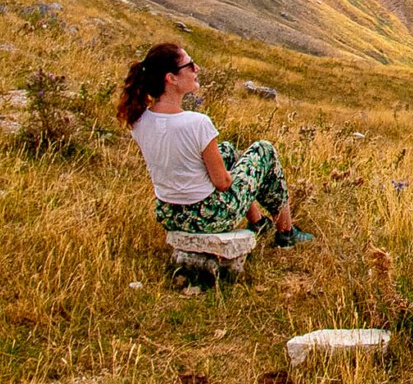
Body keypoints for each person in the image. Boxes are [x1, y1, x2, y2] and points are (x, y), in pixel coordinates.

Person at [117, 42, 312, 247]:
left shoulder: (139, 121)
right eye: (190, 65)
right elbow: (223, 183)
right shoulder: (197, 123)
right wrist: (241, 176)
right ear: (171, 78)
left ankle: (259, 223)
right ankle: (287, 233)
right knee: (264, 150)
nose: (196, 69)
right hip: (208, 216)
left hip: (168, 213)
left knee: (226, 150)